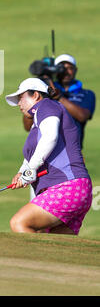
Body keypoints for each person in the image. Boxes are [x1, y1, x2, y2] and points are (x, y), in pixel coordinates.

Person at [6, 77, 93, 234]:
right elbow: (35, 152)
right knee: (55, 247)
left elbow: (49, 138)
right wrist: (21, 173)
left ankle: (33, 260)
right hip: (75, 188)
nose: (19, 104)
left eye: (21, 98)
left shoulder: (46, 105)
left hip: (66, 187)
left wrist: (30, 170)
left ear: (36, 95)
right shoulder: (38, 122)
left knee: (19, 222)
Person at [23, 54, 96, 150]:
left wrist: (59, 97)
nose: (66, 72)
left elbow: (82, 116)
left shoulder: (86, 94)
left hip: (71, 150)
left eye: (70, 68)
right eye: (61, 68)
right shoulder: (45, 92)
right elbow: (28, 126)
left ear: (75, 70)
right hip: (44, 151)